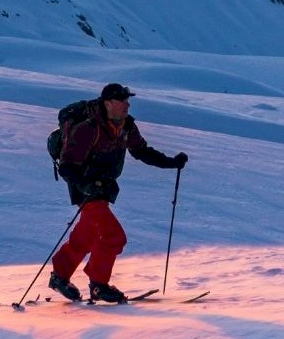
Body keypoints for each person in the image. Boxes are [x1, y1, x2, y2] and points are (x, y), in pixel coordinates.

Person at [49, 83, 188, 304]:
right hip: (86, 189)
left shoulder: (126, 126)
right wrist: (86, 186)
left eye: (127, 100)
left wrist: (171, 163)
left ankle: (60, 276)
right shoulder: (88, 128)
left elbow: (141, 151)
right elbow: (67, 166)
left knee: (87, 235)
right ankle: (98, 284)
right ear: (107, 103)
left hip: (103, 188)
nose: (127, 104)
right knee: (113, 236)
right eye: (122, 100)